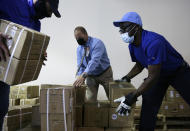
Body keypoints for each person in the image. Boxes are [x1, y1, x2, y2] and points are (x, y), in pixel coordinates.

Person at [113, 12, 190, 131]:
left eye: (125, 28)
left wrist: (133, 96)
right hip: (159, 74)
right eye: (121, 30)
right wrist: (127, 77)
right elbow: (140, 63)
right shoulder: (132, 44)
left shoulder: (154, 42)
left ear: (136, 27)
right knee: (149, 102)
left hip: (178, 72)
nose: (122, 32)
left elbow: (153, 76)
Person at [0, 0, 61, 130]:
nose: (49, 15)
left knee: (1, 107)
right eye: (50, 10)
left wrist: (37, 55)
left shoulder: (36, 25)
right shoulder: (13, 2)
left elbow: (27, 49)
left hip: (4, 74)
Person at [73, 26, 113, 102]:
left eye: (79, 36)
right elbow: (80, 65)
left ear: (85, 34)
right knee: (90, 101)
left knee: (112, 97)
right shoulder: (79, 49)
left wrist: (83, 75)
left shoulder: (97, 43)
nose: (78, 39)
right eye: (76, 38)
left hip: (104, 73)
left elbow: (94, 61)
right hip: (90, 76)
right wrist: (79, 76)